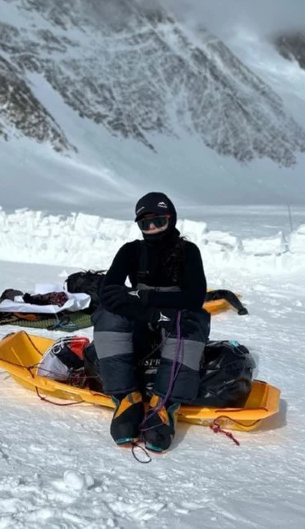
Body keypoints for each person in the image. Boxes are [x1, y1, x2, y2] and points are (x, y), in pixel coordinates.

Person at [92, 192, 210, 452]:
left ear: (172, 219)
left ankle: (164, 405)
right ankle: (126, 398)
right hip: (143, 323)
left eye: (159, 221)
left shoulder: (188, 252)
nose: (153, 228)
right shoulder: (131, 251)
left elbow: (194, 298)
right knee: (106, 314)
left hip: (176, 322)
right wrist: (148, 311)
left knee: (192, 321)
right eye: (145, 224)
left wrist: (144, 297)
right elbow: (108, 292)